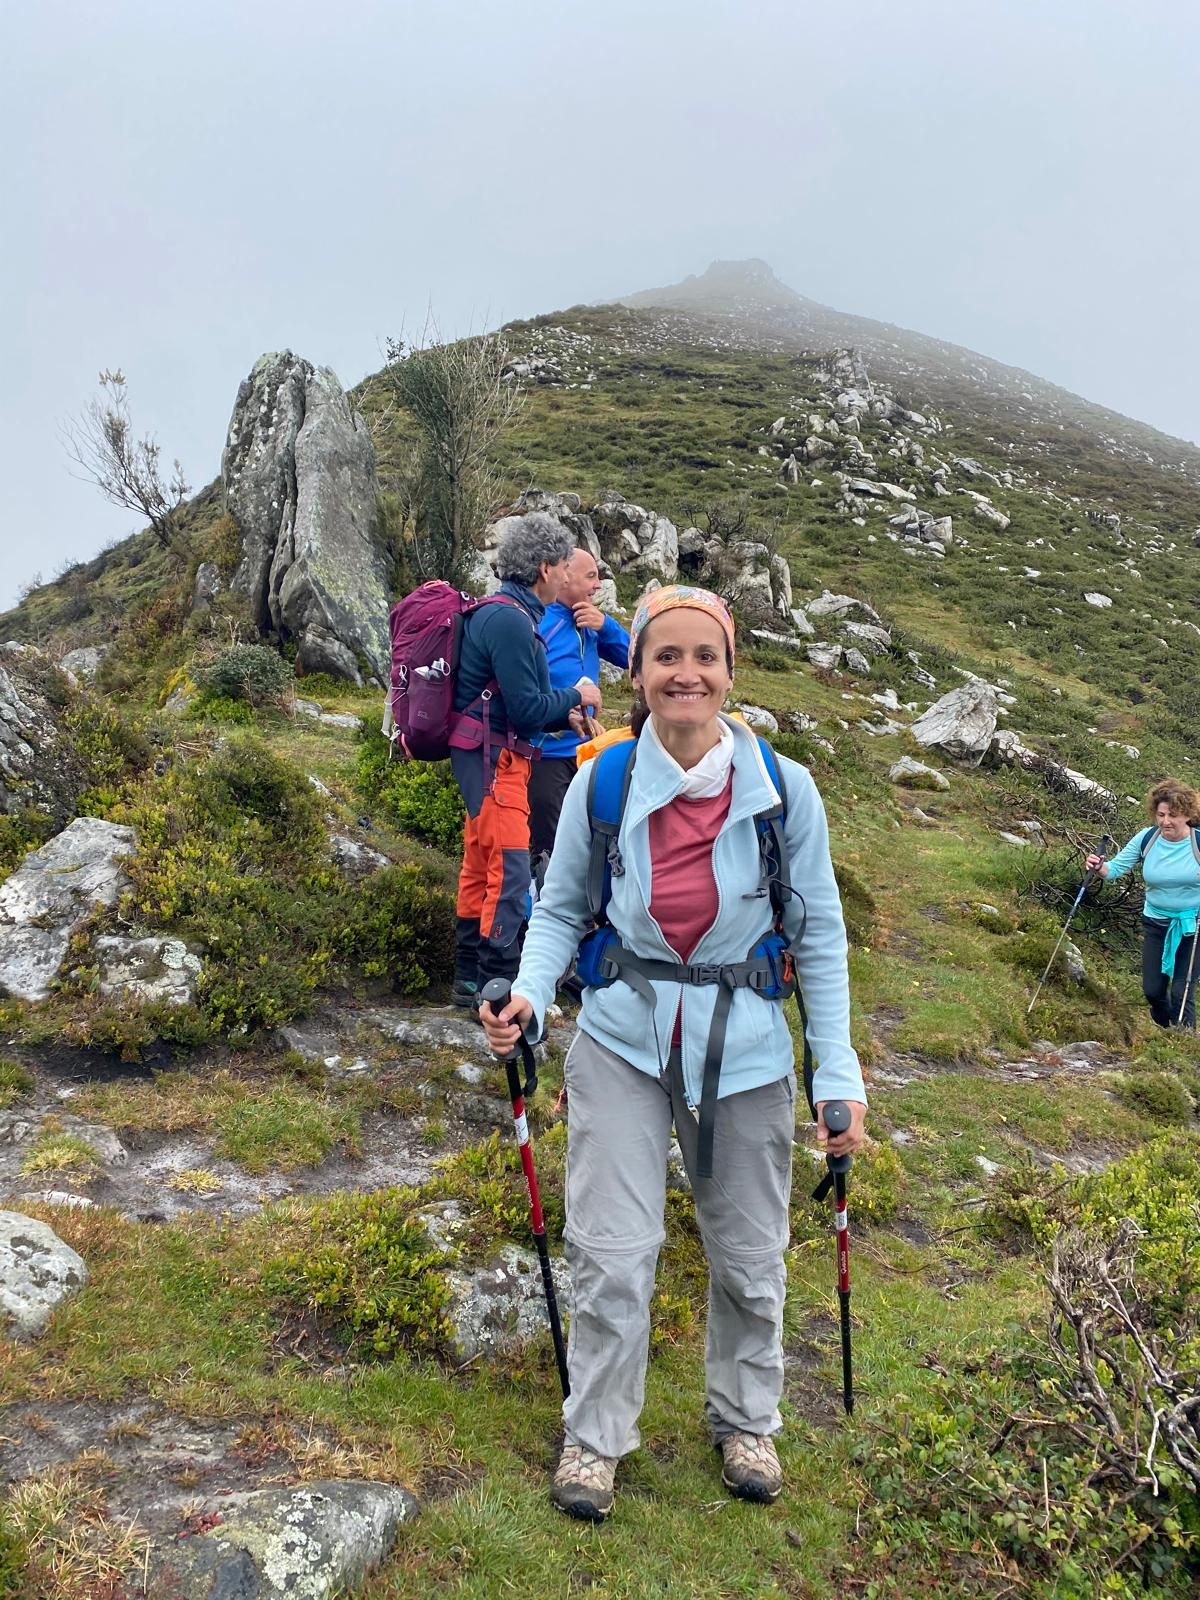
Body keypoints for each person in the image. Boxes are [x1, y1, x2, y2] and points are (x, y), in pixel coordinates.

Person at [481, 583, 867, 1521]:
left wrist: (838, 1074)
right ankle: (597, 1435)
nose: (685, 673)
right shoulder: (602, 781)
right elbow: (563, 907)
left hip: (747, 1051)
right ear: (639, 671)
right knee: (613, 1250)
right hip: (621, 1039)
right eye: (665, 656)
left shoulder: (787, 790)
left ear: (731, 672)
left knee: (748, 1254)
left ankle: (746, 1419)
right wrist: (530, 994)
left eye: (705, 657)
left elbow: (817, 937)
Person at [450, 513, 602, 1009]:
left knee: (481, 865)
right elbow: (526, 708)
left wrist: (563, 715)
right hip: (497, 765)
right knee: (512, 871)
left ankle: (468, 977)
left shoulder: (503, 615)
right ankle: (497, 984)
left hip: (487, 758)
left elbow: (522, 707)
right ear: (544, 568)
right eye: (563, 566)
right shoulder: (512, 622)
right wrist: (576, 694)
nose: (567, 575)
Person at [529, 549, 632, 861]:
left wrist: (606, 627)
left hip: (588, 752)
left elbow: (636, 659)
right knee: (550, 850)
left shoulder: (590, 620)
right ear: (563, 576)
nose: (598, 585)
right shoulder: (538, 621)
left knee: (593, 843)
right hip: (545, 754)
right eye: (591, 576)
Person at [1086, 778, 1200, 1029]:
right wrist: (1098, 866)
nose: (1165, 821)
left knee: (1182, 992)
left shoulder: (1197, 843)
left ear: (1188, 815)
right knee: (1152, 991)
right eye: (1161, 814)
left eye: (1173, 815)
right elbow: (1114, 869)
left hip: (1193, 926)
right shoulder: (1147, 838)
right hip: (1156, 923)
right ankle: (1168, 1027)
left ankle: (1184, 1046)